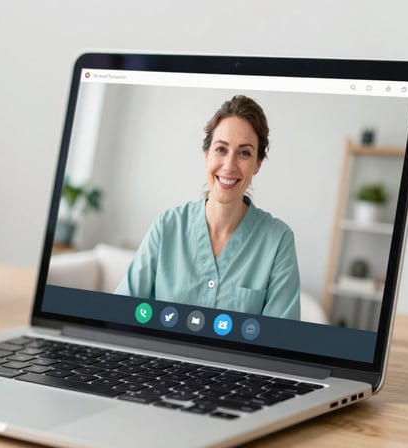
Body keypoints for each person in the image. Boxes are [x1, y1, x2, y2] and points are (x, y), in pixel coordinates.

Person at [115, 95, 301, 320]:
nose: (229, 165)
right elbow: (120, 312)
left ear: (258, 164)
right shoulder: (167, 226)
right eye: (221, 149)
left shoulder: (278, 241)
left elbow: (279, 340)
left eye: (244, 153)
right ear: (206, 154)